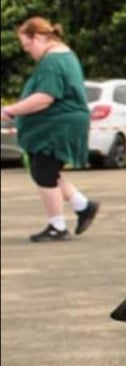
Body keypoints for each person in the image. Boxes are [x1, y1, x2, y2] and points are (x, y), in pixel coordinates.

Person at [0, 17, 99, 242]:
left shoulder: (52, 62)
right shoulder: (64, 56)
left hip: (58, 127)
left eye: (27, 45)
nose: (28, 52)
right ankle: (82, 205)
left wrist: (10, 110)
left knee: (44, 173)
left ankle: (58, 226)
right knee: (46, 169)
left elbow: (44, 97)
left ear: (38, 38)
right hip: (59, 125)